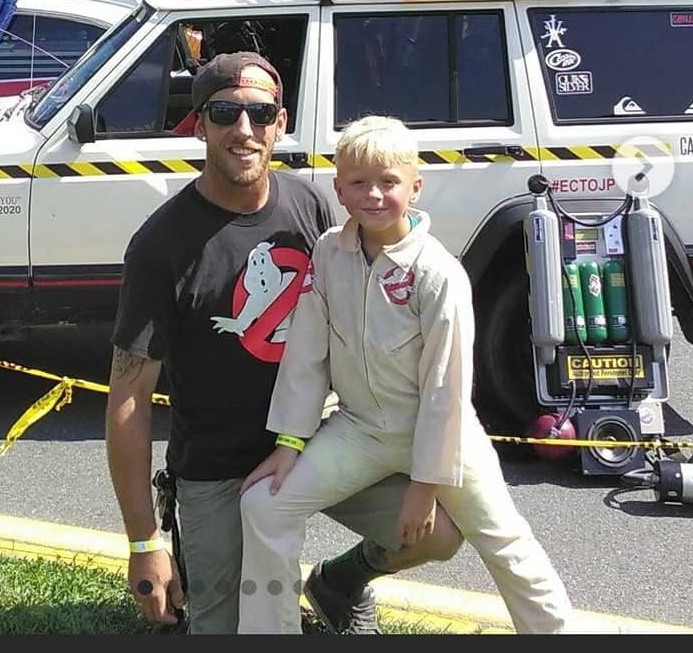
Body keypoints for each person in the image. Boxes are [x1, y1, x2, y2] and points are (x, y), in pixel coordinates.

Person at [105, 55, 463, 635]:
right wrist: (144, 541)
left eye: (260, 113)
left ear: (280, 122)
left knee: (439, 534)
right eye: (225, 113)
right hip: (217, 466)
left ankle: (340, 582)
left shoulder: (313, 207)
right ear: (199, 124)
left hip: (321, 444)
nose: (243, 130)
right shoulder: (160, 245)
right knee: (223, 628)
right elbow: (129, 394)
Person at [238, 114, 574, 634]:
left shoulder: (437, 272)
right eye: (358, 183)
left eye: (389, 182)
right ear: (339, 190)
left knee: (506, 544)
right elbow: (307, 353)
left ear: (416, 187)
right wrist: (290, 440)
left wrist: (425, 483)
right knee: (264, 505)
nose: (374, 195)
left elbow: (447, 387)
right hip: (360, 429)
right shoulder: (329, 251)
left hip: (444, 438)